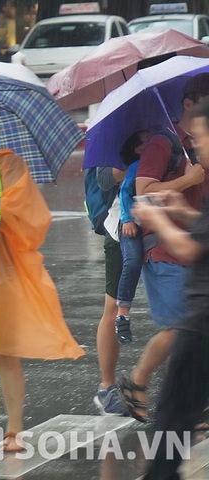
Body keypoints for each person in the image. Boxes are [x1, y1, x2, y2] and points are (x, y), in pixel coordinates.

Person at [0, 89, 85, 452]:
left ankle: (14, 430)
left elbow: (23, 213)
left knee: (3, 349)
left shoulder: (7, 163)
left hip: (0, 268)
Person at [117, 73, 208, 423]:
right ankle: (137, 381)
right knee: (183, 328)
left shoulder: (201, 143)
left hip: (194, 245)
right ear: (188, 104)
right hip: (164, 250)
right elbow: (143, 192)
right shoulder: (164, 143)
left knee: (197, 328)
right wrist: (188, 178)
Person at [137, 96, 209, 480]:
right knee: (180, 414)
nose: (195, 143)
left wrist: (155, 218)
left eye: (200, 135)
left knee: (172, 418)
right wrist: (180, 210)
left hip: (202, 323)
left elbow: (190, 247)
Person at [92, 166, 131, 416]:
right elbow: (104, 179)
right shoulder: (115, 132)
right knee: (114, 307)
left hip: (166, 221)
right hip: (121, 230)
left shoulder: (175, 132)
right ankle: (107, 387)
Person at [115, 130, 153, 344]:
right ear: (138, 149)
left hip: (151, 222)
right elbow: (124, 192)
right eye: (147, 140)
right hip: (130, 223)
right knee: (132, 262)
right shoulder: (137, 166)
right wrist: (128, 219)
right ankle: (122, 313)